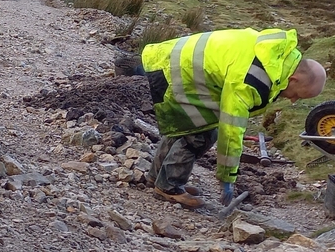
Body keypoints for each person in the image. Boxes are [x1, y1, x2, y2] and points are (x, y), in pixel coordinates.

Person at [117, 28, 326, 208]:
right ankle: (168, 186)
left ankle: (157, 176)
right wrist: (227, 178)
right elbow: (231, 130)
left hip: (173, 61)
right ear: (294, 78)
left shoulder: (279, 54)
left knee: (188, 125)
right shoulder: (252, 81)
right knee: (201, 133)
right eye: (298, 94)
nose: (293, 101)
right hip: (174, 72)